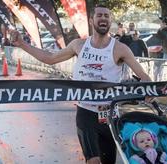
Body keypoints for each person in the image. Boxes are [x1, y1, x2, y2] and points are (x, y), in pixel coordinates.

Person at [10, 4, 151, 164]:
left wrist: (150, 91)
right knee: (93, 161)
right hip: (86, 113)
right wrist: (23, 44)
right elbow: (50, 59)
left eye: (106, 16)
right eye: (99, 15)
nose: (103, 18)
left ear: (110, 20)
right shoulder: (79, 45)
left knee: (108, 161)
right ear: (92, 20)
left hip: (109, 114)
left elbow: (143, 76)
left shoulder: (120, 49)